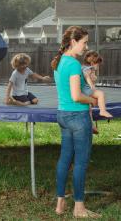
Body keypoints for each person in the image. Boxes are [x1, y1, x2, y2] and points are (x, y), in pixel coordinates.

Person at [51, 26, 101, 219]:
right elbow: (77, 95)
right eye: (84, 42)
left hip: (63, 116)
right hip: (77, 117)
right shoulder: (72, 63)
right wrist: (93, 100)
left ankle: (60, 202)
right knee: (80, 162)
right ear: (73, 42)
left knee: (65, 159)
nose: (86, 47)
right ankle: (79, 208)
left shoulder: (59, 62)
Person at [81, 50, 113, 134]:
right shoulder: (88, 69)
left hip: (83, 91)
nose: (98, 66)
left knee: (89, 110)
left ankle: (92, 126)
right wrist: (92, 87)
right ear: (92, 63)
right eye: (97, 64)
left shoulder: (83, 67)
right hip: (86, 90)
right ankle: (102, 110)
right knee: (101, 94)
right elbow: (87, 78)